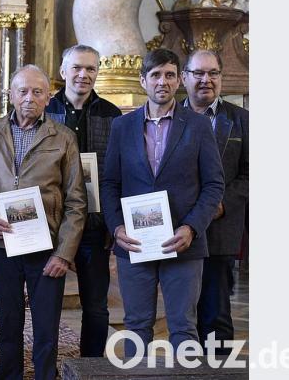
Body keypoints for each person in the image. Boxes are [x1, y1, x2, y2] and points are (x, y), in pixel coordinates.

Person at [100, 48, 225, 356]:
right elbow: (109, 183)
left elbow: (213, 185)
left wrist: (192, 228)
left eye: (170, 75)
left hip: (183, 243)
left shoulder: (197, 126)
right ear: (143, 80)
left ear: (179, 80)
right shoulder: (122, 127)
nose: (162, 82)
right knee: (137, 325)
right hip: (135, 243)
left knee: (183, 327)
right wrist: (116, 228)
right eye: (155, 75)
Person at [0, 65, 86, 380]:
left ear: (48, 97)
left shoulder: (63, 138)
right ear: (10, 95)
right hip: (3, 246)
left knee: (46, 330)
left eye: (37, 92)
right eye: (22, 91)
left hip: (47, 248)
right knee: (8, 325)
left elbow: (77, 201)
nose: (29, 98)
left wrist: (64, 253)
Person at [45, 45, 122, 357]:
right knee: (47, 305)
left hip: (93, 223)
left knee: (96, 307)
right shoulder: (45, 110)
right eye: (77, 67)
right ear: (63, 71)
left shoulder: (112, 115)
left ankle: (90, 366)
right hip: (51, 224)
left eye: (91, 69)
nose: (83, 74)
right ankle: (46, 366)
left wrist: (112, 223)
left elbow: (118, 172)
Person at [180, 49, 248, 353]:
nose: (206, 80)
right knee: (182, 315)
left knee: (216, 314)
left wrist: (219, 205)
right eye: (199, 73)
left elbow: (251, 175)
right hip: (177, 229)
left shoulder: (242, 120)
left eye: (213, 73)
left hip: (219, 230)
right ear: (184, 77)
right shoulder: (169, 116)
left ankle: (218, 371)